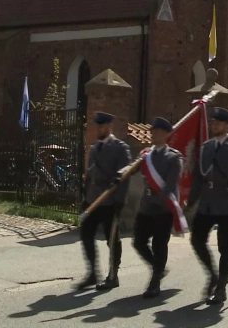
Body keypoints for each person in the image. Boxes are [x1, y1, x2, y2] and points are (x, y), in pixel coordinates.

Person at [188, 107, 228, 305]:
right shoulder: (206, 147)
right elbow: (199, 176)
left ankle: (221, 287)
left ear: (227, 125)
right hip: (206, 204)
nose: (215, 125)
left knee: (225, 248)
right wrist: (190, 200)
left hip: (227, 204)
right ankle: (212, 274)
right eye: (213, 122)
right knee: (197, 239)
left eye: (219, 123)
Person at [77, 112, 131, 291]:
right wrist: (85, 197)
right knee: (86, 235)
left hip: (109, 201)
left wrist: (119, 201)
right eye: (97, 126)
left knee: (112, 239)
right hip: (93, 201)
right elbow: (90, 175)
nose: (99, 129)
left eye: (103, 126)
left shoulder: (120, 148)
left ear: (109, 127)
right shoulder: (93, 148)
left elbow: (125, 175)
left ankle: (113, 275)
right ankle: (93, 273)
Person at [133, 117, 183, 299]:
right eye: (153, 131)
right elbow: (133, 171)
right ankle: (158, 268)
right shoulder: (146, 154)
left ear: (167, 135)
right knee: (138, 242)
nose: (154, 134)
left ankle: (155, 283)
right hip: (146, 207)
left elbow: (170, 184)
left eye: (159, 132)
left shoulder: (174, 157)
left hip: (164, 208)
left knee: (159, 244)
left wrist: (159, 199)